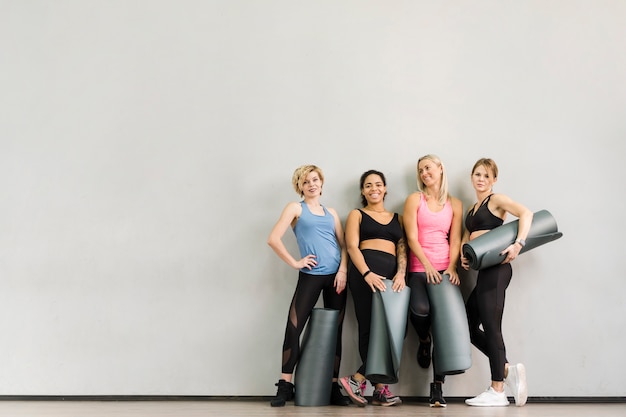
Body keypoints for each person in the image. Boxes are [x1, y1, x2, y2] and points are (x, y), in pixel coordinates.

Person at [267, 164, 350, 407]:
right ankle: (285, 385)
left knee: (336, 331)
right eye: (306, 182)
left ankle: (333, 387)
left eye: (315, 179)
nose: (311, 184)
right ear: (300, 187)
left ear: (321, 182)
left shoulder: (332, 213)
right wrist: (295, 262)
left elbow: (344, 245)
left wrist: (343, 269)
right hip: (311, 275)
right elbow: (273, 238)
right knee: (294, 326)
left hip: (336, 276)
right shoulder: (296, 208)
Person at [461, 158, 532, 407]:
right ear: (472, 177)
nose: (481, 179)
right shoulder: (472, 208)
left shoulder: (496, 200)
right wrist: (464, 253)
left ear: (493, 180)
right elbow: (468, 236)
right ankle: (505, 370)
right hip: (484, 271)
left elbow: (526, 213)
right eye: (477, 174)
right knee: (468, 326)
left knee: (492, 326)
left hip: (497, 269)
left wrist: (518, 243)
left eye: (486, 176)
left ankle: (498, 390)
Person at [338, 170, 407, 407]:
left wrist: (400, 273)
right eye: (368, 185)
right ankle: (373, 386)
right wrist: (366, 273)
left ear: (385, 188)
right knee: (368, 327)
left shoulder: (397, 218)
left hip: (391, 278)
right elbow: (351, 246)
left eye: (378, 184)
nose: (373, 188)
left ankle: (360, 379)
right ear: (362, 191)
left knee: (392, 331)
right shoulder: (357, 214)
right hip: (364, 275)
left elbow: (401, 248)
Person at [402, 154, 463, 407]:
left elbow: (456, 239)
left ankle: (437, 388)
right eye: (420, 170)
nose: (424, 172)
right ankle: (424, 340)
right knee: (420, 310)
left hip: (444, 269)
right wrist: (426, 265)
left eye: (428, 167)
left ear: (440, 169)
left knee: (444, 327)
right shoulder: (415, 199)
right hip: (419, 269)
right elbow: (411, 238)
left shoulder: (455, 203)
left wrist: (451, 267)